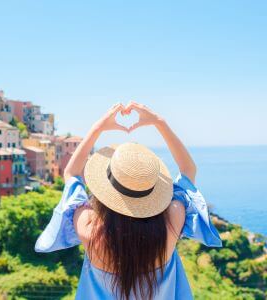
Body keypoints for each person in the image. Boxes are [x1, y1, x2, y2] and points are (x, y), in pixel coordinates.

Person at [35, 102, 222, 300]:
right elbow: (188, 170)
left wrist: (97, 128)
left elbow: (72, 174)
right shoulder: (172, 223)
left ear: (105, 189)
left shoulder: (90, 230)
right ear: (152, 192)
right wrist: (160, 122)